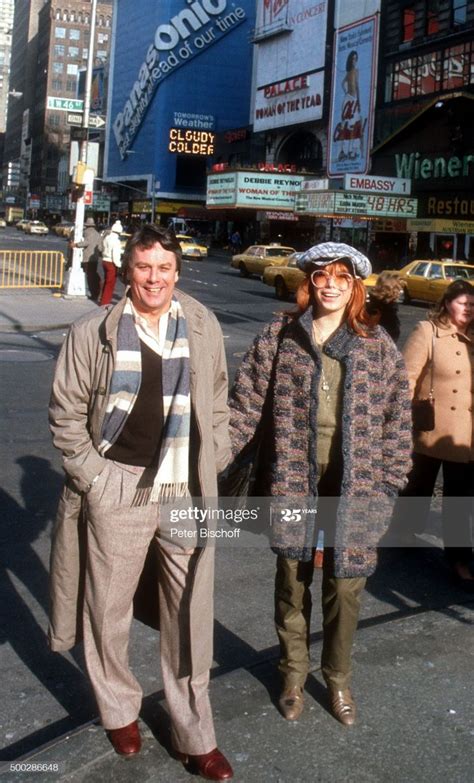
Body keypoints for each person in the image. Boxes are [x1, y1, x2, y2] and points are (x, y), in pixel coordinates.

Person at [49, 225, 234, 780]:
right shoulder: (92, 331)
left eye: (164, 268)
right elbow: (66, 413)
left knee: (189, 615)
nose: (154, 278)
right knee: (107, 608)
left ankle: (195, 735)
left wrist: (215, 454)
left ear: (177, 272)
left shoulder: (201, 323)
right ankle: (119, 709)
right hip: (118, 485)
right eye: (144, 268)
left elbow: (219, 396)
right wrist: (95, 478)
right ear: (128, 271)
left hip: (185, 485)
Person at [228, 242, 412, 726]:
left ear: (355, 287)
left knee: (345, 590)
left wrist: (390, 485)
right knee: (292, 584)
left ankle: (338, 679)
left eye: (340, 278)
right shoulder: (280, 335)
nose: (329, 285)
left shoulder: (376, 345)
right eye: (320, 277)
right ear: (307, 283)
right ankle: (292, 675)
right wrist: (208, 457)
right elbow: (245, 405)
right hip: (293, 480)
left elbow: (397, 423)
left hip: (357, 488)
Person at [401, 279, 474, 588]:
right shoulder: (427, 332)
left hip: (464, 435)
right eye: (462, 303)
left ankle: (459, 559)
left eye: (473, 304)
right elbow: (407, 378)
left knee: (459, 499)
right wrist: (397, 423)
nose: (468, 308)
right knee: (418, 487)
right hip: (430, 428)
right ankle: (403, 531)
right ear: (447, 303)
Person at [366, 271, 403, 343]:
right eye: (398, 289)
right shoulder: (387, 311)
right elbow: (392, 335)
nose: (400, 292)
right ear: (392, 290)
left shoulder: (371, 304)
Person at [74, 216, 102, 301]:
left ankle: (93, 293)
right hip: (95, 257)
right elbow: (100, 247)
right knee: (93, 274)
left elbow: (86, 242)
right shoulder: (97, 234)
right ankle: (97, 292)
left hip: (86, 257)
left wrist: (76, 245)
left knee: (89, 276)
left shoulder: (86, 232)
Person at [100, 220, 123, 306]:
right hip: (111, 263)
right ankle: (105, 302)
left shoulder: (107, 238)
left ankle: (102, 298)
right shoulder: (116, 241)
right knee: (110, 284)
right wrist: (119, 265)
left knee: (106, 281)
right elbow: (115, 256)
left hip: (104, 260)